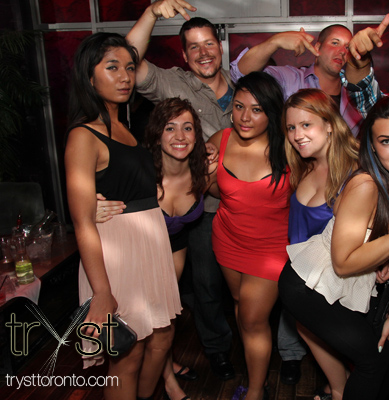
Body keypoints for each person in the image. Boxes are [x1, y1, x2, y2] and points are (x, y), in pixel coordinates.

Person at [280, 95, 389, 400]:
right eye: (386, 141)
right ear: (373, 146)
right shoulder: (364, 184)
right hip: (309, 283)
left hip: (355, 284)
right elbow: (342, 263)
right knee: (372, 363)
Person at [64, 32, 181, 399]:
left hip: (148, 250)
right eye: (112, 67)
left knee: (155, 342)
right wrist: (101, 292)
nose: (125, 77)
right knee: (126, 357)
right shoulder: (84, 135)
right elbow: (82, 220)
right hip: (117, 258)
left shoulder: (125, 128)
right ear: (89, 76)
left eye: (130, 68)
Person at [125, 0, 235, 379]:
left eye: (209, 43)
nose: (203, 52)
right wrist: (152, 14)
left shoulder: (243, 87)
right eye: (193, 47)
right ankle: (217, 349)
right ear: (184, 55)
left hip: (246, 205)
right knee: (206, 282)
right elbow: (127, 61)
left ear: (220, 46)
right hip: (203, 207)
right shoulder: (173, 83)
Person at [97, 97, 215, 400]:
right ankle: (159, 384)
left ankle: (160, 384)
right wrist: (91, 207)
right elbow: (99, 187)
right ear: (156, 134)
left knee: (162, 331)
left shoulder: (203, 170)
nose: (180, 136)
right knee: (135, 342)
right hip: (134, 257)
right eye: (169, 128)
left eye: (187, 127)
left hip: (173, 252)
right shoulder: (141, 171)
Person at [208, 72, 290, 400]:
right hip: (227, 239)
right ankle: (257, 376)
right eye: (239, 106)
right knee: (242, 309)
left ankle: (255, 391)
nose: (245, 117)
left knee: (253, 319)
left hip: (271, 249)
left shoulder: (289, 148)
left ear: (272, 112)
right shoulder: (220, 139)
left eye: (256, 110)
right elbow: (214, 188)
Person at [282, 88, 361, 399]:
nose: (297, 135)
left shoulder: (353, 171)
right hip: (301, 278)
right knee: (309, 330)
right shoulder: (306, 164)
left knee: (314, 331)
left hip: (331, 279)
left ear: (329, 124)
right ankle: (339, 387)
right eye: (291, 127)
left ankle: (340, 391)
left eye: (306, 125)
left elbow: (378, 219)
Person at [229, 16, 389, 136]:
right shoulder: (290, 79)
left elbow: (383, 114)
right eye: (335, 43)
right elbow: (241, 74)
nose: (342, 51)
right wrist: (274, 42)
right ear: (318, 47)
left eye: (348, 47)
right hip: (299, 177)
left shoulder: (357, 92)